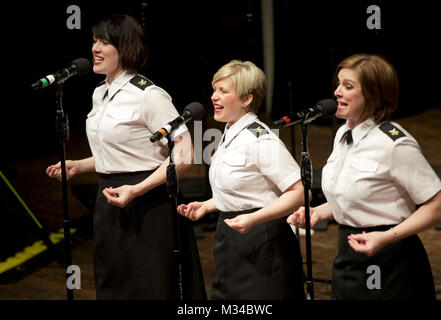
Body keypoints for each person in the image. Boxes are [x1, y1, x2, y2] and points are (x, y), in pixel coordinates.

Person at [46, 14, 205, 299]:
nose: (95, 48)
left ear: (125, 48)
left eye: (104, 42)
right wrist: (80, 166)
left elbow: (184, 154)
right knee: (114, 282)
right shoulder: (99, 93)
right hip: (109, 199)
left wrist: (137, 189)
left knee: (151, 284)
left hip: (148, 202)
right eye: (94, 40)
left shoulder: (149, 95)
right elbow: (122, 152)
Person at [287, 53, 441, 300]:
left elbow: (440, 206)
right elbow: (360, 194)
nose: (337, 92)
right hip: (349, 255)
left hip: (391, 260)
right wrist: (320, 211)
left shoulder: (394, 143)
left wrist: (387, 237)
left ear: (373, 95)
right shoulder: (343, 134)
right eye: (339, 84)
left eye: (348, 86)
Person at [177, 60, 305, 300]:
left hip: (262, 239)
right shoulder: (230, 133)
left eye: (223, 91)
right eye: (215, 89)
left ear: (247, 99)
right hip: (230, 236)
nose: (214, 96)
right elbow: (246, 189)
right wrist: (208, 205)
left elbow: (300, 192)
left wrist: (254, 218)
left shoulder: (261, 140)